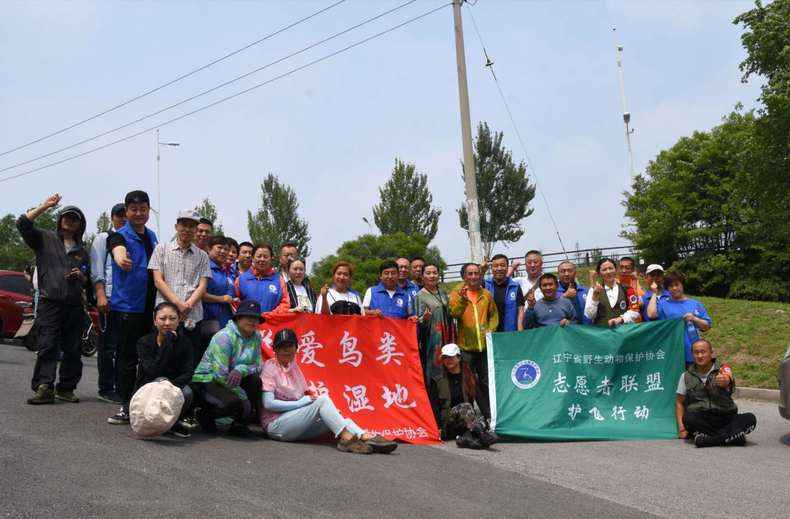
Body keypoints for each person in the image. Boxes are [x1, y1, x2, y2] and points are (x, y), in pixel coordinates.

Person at [261, 328, 398, 454]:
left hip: (292, 424)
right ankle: (346, 439)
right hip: (276, 426)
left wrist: (305, 402)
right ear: (275, 350)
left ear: (296, 348)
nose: (286, 350)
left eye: (290, 346)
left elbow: (302, 398)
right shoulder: (270, 367)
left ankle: (364, 436)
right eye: (281, 346)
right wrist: (301, 403)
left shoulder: (293, 368)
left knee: (336, 418)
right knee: (322, 400)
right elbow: (268, 404)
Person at [17, 194, 90, 405]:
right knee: (48, 344)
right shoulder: (45, 239)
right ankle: (44, 387)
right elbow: (22, 223)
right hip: (50, 301)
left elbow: (88, 281)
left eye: (74, 218)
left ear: (79, 224)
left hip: (74, 305)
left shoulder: (83, 252)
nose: (70, 220)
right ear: (60, 219)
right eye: (66, 216)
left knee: (73, 348)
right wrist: (46, 206)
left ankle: (66, 389)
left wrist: (81, 276)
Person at [107, 190, 159, 425]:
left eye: (143, 209)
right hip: (129, 307)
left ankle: (142, 400)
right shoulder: (120, 236)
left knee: (147, 357)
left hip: (151, 308)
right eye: (134, 209)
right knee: (127, 358)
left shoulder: (152, 236)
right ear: (126, 211)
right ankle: (126, 404)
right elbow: (117, 251)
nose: (139, 214)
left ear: (149, 210)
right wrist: (121, 259)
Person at [147, 209, 211, 364]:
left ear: (196, 230)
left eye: (191, 226)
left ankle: (184, 388)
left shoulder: (202, 256)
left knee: (189, 360)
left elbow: (202, 286)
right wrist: (177, 304)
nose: (187, 229)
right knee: (162, 357)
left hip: (192, 316)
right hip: (166, 317)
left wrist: (187, 305)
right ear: (176, 226)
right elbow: (158, 281)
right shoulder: (161, 249)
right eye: (184, 225)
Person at [191, 299, 264, 436]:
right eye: (248, 317)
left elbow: (259, 365)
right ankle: (204, 414)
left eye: (255, 318)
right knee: (236, 402)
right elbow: (220, 375)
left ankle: (239, 424)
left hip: (234, 378)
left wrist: (241, 369)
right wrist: (244, 398)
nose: (252, 321)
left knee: (255, 381)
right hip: (209, 379)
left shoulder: (257, 337)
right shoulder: (224, 337)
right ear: (238, 318)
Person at [676, 339, 756, 447]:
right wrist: (681, 429)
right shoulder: (686, 376)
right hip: (703, 419)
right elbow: (679, 402)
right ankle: (732, 437)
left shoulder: (723, 370)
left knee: (750, 418)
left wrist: (726, 381)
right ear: (692, 355)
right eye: (696, 352)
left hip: (726, 416)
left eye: (703, 352)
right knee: (688, 418)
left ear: (711, 352)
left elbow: (728, 381)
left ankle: (709, 441)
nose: (700, 355)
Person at [134, 302, 194, 438]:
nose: (167, 323)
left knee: (188, 392)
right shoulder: (144, 342)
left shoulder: (185, 343)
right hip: (150, 385)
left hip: (174, 385)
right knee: (159, 381)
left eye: (172, 319)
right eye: (162, 319)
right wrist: (167, 343)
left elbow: (188, 372)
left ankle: (172, 423)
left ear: (179, 321)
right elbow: (152, 372)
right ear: (155, 321)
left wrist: (170, 386)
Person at [448, 262, 498, 419]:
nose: (473, 277)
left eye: (476, 273)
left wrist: (491, 329)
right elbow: (454, 313)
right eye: (470, 274)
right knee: (467, 384)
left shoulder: (486, 294)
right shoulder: (457, 293)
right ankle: (468, 416)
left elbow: (494, 315)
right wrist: (463, 300)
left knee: (486, 381)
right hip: (466, 347)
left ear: (480, 275)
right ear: (464, 276)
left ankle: (490, 414)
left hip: (483, 347)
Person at [89, 202, 126, 403]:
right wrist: (100, 295)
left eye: (125, 215)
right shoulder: (103, 238)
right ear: (112, 217)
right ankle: (105, 388)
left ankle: (121, 386)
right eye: (119, 215)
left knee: (123, 347)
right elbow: (96, 268)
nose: (123, 219)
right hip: (109, 298)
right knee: (107, 346)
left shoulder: (131, 238)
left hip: (127, 302)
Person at [428, 344, 497, 449]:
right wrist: (437, 427)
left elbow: (480, 400)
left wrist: (489, 419)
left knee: (483, 417)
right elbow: (434, 407)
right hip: (448, 423)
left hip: (467, 422)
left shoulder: (469, 377)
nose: (448, 360)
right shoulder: (437, 380)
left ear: (459, 358)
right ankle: (481, 436)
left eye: (451, 357)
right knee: (465, 407)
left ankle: (467, 438)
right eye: (445, 358)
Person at [647, 271, 711, 365]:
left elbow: (706, 326)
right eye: (670, 286)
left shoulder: (695, 304)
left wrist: (694, 319)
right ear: (667, 288)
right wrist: (654, 294)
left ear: (682, 285)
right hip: (671, 354)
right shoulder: (663, 304)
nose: (674, 288)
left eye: (677, 284)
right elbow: (651, 314)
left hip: (693, 353)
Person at [412, 263, 457, 384]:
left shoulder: (442, 293)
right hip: (433, 339)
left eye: (434, 273)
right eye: (428, 273)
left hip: (449, 335)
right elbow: (417, 322)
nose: (432, 276)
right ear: (422, 276)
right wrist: (424, 319)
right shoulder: (419, 296)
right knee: (436, 372)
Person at [235, 242, 289, 316]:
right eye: (259, 256)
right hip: (247, 324)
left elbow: (285, 303)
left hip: (272, 323)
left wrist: (271, 315)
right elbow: (234, 302)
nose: (262, 259)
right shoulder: (241, 279)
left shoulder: (279, 280)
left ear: (271, 259)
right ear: (253, 258)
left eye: (266, 257)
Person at [583, 257, 641, 327]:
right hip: (601, 334)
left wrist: (620, 319)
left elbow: (635, 310)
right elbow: (590, 315)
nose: (608, 272)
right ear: (599, 273)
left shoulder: (627, 289)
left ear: (616, 270)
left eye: (611, 268)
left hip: (623, 333)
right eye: (604, 269)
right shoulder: (593, 291)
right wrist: (595, 298)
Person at [483, 254, 525, 332]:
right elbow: (472, 283)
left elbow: (521, 310)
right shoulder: (485, 285)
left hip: (510, 333)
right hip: (489, 334)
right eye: (495, 266)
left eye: (502, 265)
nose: (499, 268)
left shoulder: (515, 287)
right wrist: (482, 270)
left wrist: (520, 332)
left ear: (507, 267)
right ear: (491, 268)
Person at [202, 236, 236, 330]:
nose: (223, 251)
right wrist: (221, 299)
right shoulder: (204, 268)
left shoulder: (227, 272)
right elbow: (199, 294)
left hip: (226, 322)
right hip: (209, 322)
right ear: (209, 249)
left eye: (226, 249)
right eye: (219, 248)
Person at [556, 260, 589, 324]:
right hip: (565, 331)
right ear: (558, 274)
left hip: (586, 330)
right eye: (563, 271)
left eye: (570, 271)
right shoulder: (552, 293)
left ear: (575, 273)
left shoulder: (586, 291)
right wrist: (564, 296)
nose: (566, 274)